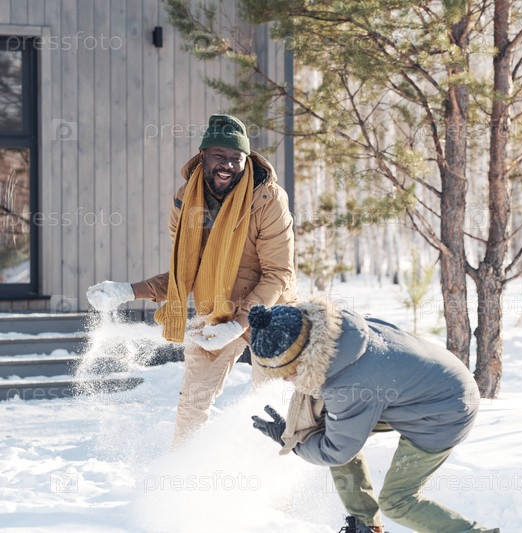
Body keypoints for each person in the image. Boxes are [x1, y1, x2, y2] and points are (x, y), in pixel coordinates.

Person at [86, 114, 297, 446]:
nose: (228, 165)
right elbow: (184, 271)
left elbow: (278, 273)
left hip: (268, 313)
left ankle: (274, 475)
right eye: (220, 156)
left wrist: (239, 324)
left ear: (247, 159)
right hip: (216, 310)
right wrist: (128, 290)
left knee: (271, 403)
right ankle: (184, 471)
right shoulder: (186, 200)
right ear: (203, 156)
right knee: (192, 405)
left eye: (236, 158)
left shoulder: (267, 198)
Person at [247, 298, 500, 533]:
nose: (285, 380)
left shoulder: (348, 385)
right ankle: (366, 526)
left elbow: (336, 451)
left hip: (447, 410)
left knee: (397, 502)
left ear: (303, 358)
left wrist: (291, 442)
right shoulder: (338, 329)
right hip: (428, 385)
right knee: (329, 428)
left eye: (287, 372)